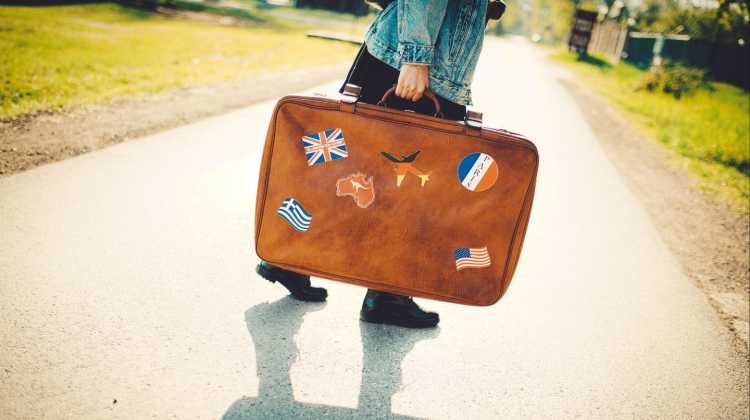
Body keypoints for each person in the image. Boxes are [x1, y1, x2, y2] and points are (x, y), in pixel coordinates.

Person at [257, 0, 499, 328]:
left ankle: (288, 258)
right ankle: (387, 296)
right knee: (408, 187)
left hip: (404, 52)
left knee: (348, 163)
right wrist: (416, 57)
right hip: (421, 64)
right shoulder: (418, 61)